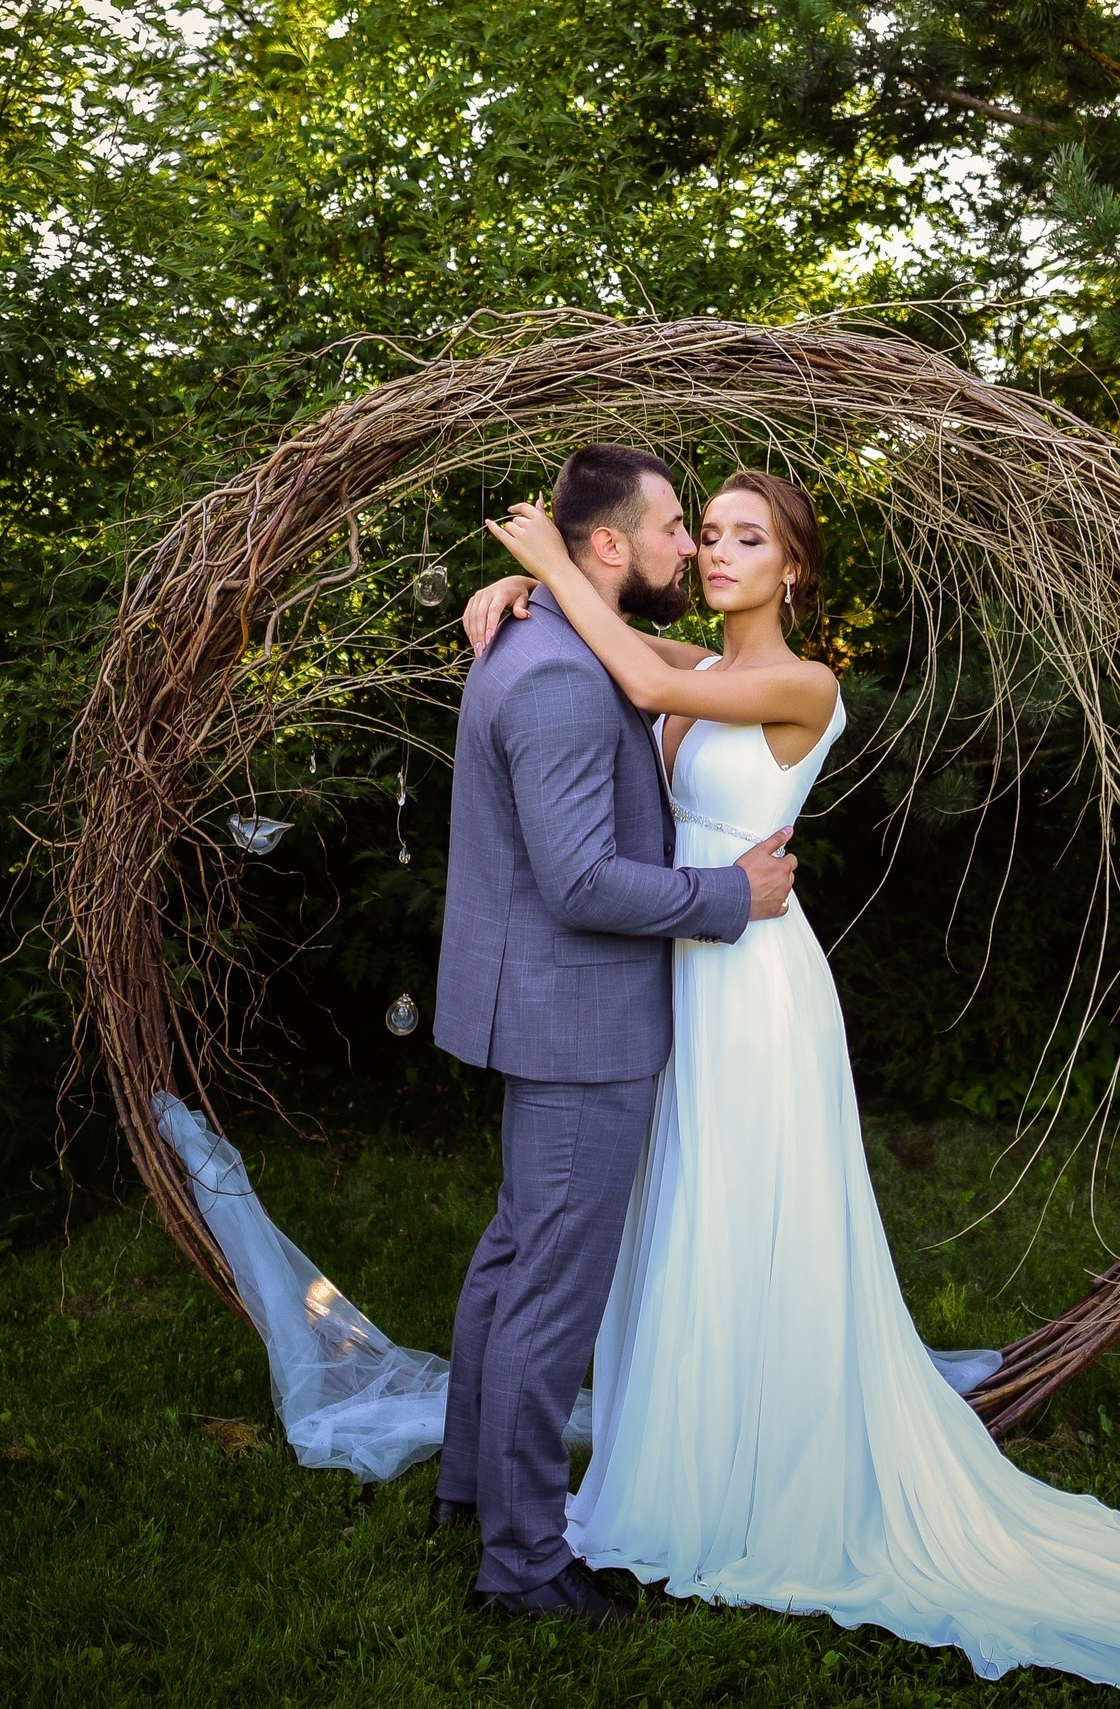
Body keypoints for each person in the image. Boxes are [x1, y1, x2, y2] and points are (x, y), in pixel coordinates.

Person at [462, 468, 1120, 1708]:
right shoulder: (695, 658)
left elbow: (638, 675)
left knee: (757, 1219)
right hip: (673, 972)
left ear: (794, 569)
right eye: (705, 532)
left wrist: (546, 563)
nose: (717, 552)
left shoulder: (802, 683)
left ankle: (762, 1472)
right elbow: (616, 647)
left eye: (746, 538)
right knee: (683, 1223)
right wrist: (516, 587)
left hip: (752, 983)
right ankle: (684, 1450)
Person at [429, 444, 800, 1626]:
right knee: (548, 1290)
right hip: (579, 1021)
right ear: (606, 544)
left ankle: (470, 1487)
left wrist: (529, 579)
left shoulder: (561, 639)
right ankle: (524, 1562)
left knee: (515, 1256)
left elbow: (650, 669)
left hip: (554, 1007)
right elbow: (583, 880)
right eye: (677, 525)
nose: (690, 545)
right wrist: (730, 896)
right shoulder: (557, 676)